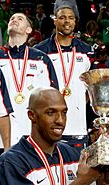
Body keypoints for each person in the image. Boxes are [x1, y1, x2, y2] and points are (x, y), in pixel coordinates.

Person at [35, 0, 93, 153]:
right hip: (47, 127)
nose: (67, 21)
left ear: (75, 21)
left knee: (77, 173)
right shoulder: (40, 51)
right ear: (55, 20)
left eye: (71, 18)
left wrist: (79, 101)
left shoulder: (87, 51)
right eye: (62, 17)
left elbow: (92, 87)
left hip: (78, 126)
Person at [0, 12, 59, 146]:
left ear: (29, 30)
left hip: (32, 131)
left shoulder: (41, 59)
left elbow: (51, 98)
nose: (14, 20)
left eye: (20, 18)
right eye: (12, 18)